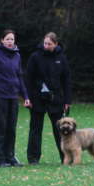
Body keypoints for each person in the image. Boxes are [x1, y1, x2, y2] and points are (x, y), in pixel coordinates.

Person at [0, 29, 31, 167]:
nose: (10, 42)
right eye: (7, 39)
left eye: (12, 39)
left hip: (13, 97)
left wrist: (25, 96)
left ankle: (10, 157)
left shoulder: (17, 56)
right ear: (2, 40)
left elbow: (19, 77)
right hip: (0, 97)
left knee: (11, 129)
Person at [25, 32, 72, 165]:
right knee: (35, 129)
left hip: (56, 99)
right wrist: (27, 97)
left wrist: (67, 100)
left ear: (56, 44)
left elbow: (67, 80)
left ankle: (65, 158)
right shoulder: (35, 57)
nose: (46, 46)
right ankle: (33, 158)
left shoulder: (61, 58)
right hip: (37, 98)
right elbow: (28, 78)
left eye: (49, 44)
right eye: (45, 43)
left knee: (60, 130)